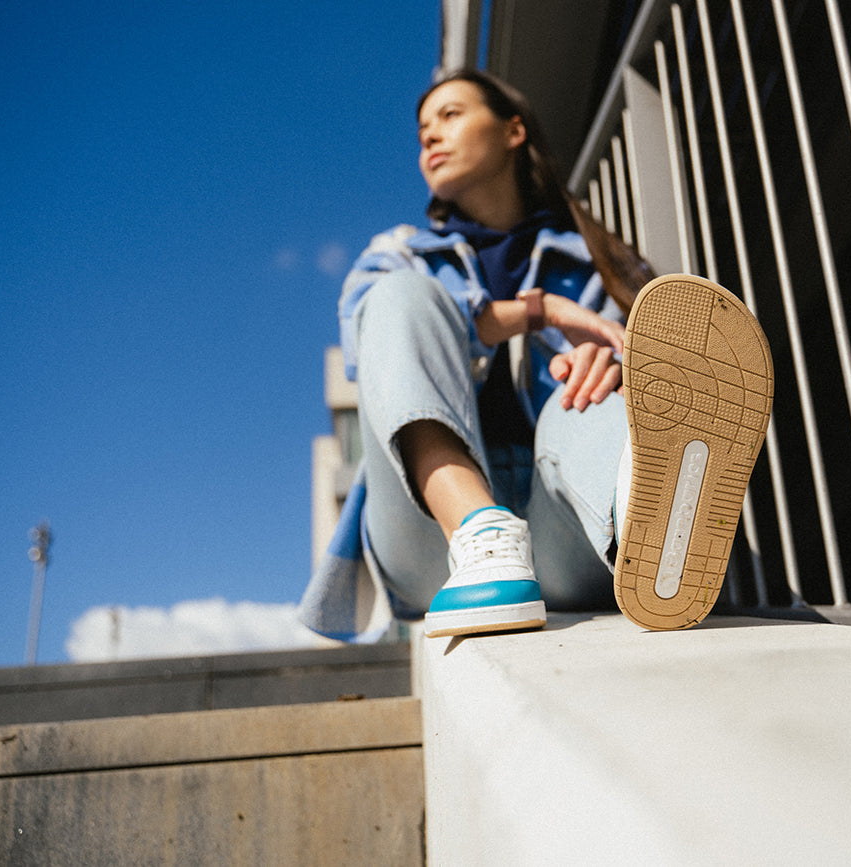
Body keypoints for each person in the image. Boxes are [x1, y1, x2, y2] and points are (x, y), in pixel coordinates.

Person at [298, 68, 774, 640]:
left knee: (590, 392)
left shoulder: (594, 263)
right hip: (435, 545)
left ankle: (645, 514)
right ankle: (481, 534)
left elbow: (617, 363)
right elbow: (364, 345)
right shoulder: (400, 253)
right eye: (422, 127)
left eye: (450, 115)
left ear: (513, 131)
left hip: (568, 532)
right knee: (397, 297)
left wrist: (614, 371)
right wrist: (538, 312)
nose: (428, 136)